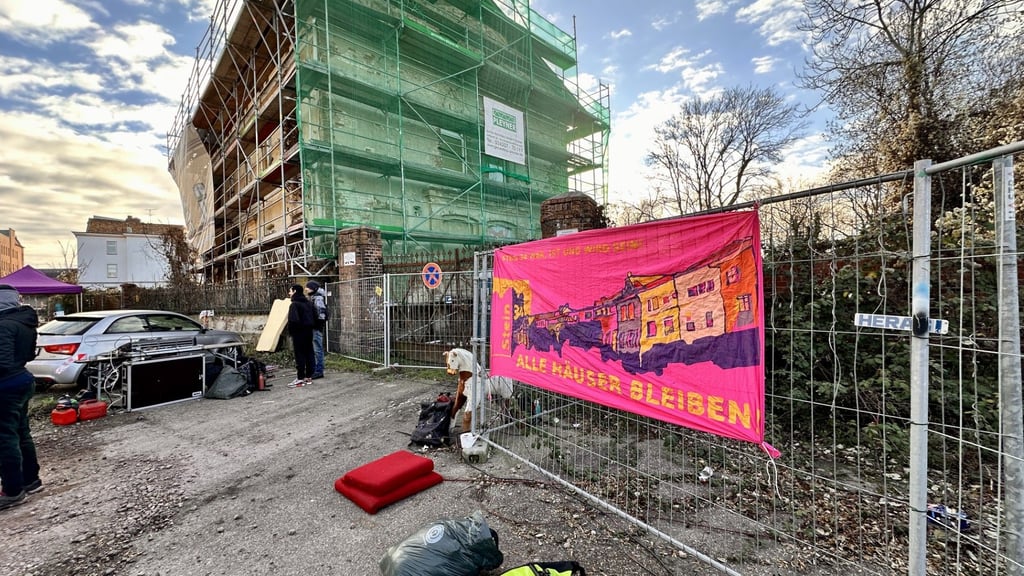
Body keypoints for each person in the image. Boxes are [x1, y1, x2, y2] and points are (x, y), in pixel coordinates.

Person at [0, 284, 41, 511]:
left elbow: (2, 362)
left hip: (6, 385)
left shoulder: (4, 325)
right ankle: (30, 479)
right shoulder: (24, 322)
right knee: (21, 432)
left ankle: (13, 490)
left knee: (5, 437)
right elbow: (26, 354)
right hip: (22, 379)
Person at [286, 284, 316, 388]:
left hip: (299, 333)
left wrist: (292, 332)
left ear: (294, 291)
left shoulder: (294, 304)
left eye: (290, 291)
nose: (289, 293)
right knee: (309, 353)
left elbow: (293, 320)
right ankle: (308, 376)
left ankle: (300, 378)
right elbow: (315, 317)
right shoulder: (308, 303)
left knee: (300, 355)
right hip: (309, 332)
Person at [306, 281, 328, 379]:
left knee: (317, 349)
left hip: (316, 327)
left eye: (308, 287)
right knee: (316, 349)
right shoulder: (314, 297)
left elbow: (321, 314)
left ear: (313, 288)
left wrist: (316, 325)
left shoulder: (318, 298)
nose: (306, 289)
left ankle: (319, 370)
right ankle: (317, 369)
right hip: (315, 327)